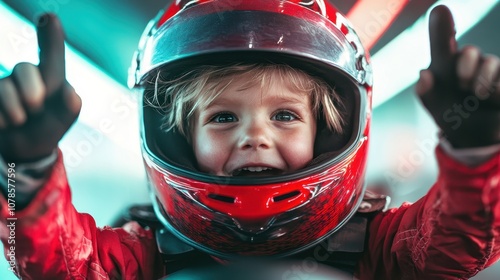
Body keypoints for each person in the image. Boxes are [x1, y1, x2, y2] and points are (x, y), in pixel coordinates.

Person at [1, 0, 500, 279]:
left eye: (284, 114)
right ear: (178, 138)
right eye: (222, 118)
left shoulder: (379, 247)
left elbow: (454, 246)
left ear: (329, 130)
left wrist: (477, 154)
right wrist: (25, 171)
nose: (254, 136)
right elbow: (58, 266)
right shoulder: (148, 251)